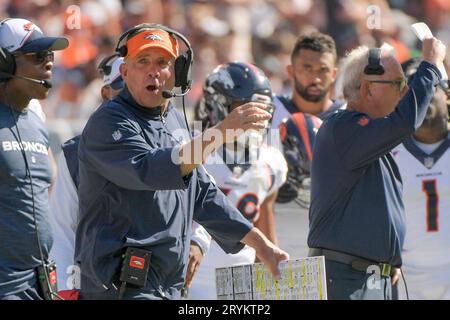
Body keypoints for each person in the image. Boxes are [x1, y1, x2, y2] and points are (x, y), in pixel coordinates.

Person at [75, 23, 289, 300]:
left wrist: (262, 246)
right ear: (125, 71)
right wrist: (222, 131)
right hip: (120, 283)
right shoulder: (108, 121)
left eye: (163, 62)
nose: (154, 70)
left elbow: (201, 192)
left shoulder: (172, 117)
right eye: (143, 61)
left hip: (166, 283)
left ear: (176, 73)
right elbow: (150, 169)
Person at [307, 38, 446, 300]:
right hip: (345, 277)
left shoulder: (368, 136)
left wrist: (387, 258)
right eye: (398, 83)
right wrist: (430, 65)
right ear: (368, 89)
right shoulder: (343, 127)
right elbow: (405, 123)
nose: (404, 92)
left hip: (371, 276)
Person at [186, 62, 288, 299]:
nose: (254, 119)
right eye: (244, 108)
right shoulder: (192, 151)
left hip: (240, 287)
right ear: (217, 106)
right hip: (189, 281)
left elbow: (265, 232)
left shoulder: (271, 162)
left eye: (261, 110)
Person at [0, 18, 68, 300]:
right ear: (4, 63)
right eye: (37, 56)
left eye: (49, 55)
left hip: (39, 282)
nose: (48, 63)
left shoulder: (36, 119)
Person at [48, 54, 124, 294]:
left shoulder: (173, 147)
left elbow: (202, 200)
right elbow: (62, 230)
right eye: (124, 89)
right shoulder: (74, 154)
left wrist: (198, 242)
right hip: (98, 286)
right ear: (106, 93)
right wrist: (66, 290)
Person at [392, 58, 450, 300]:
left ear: (447, 95)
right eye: (413, 88)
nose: (422, 95)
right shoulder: (384, 151)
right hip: (404, 278)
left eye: (429, 87)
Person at [271, 31, 343, 130]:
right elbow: (245, 144)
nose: (316, 79)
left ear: (334, 74)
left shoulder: (346, 118)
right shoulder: (269, 113)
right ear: (291, 71)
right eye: (307, 69)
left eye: (323, 70)